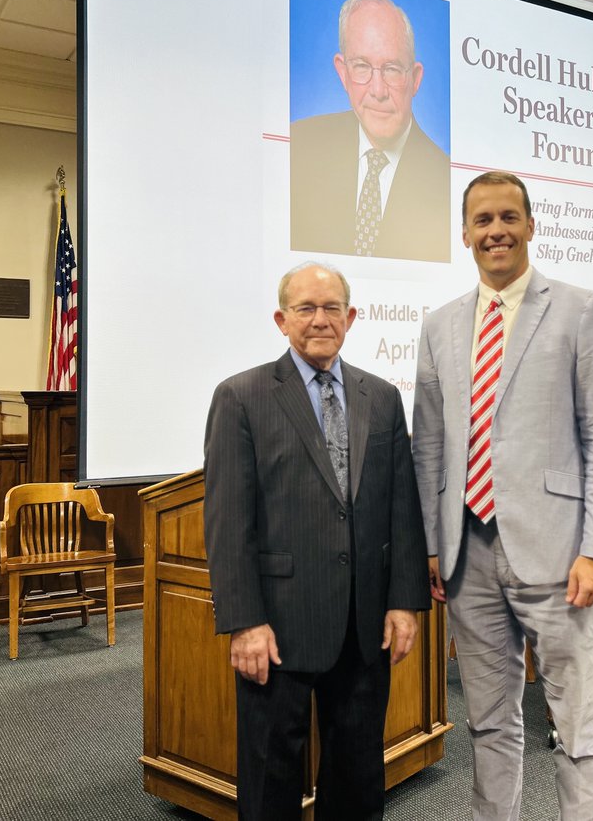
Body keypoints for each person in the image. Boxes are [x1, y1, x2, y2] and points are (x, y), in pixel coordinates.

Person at [411, 171, 593, 820]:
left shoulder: (580, 309)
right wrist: (430, 544)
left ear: (532, 225)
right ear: (465, 234)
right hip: (465, 553)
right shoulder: (438, 325)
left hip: (560, 553)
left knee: (577, 725)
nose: (496, 230)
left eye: (508, 217)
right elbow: (429, 445)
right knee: (489, 722)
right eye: (483, 220)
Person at [203, 261, 429, 820]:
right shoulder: (242, 396)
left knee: (357, 779)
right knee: (271, 778)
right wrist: (243, 621)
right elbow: (228, 521)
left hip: (363, 623)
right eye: (305, 308)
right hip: (276, 626)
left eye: (331, 308)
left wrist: (404, 601)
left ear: (351, 318)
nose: (319, 319)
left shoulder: (380, 397)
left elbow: (402, 506)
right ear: (282, 320)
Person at [291, 0, 450, 262]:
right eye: (362, 66)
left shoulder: (448, 181)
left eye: (391, 69)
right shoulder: (296, 147)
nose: (378, 91)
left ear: (415, 79)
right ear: (343, 73)